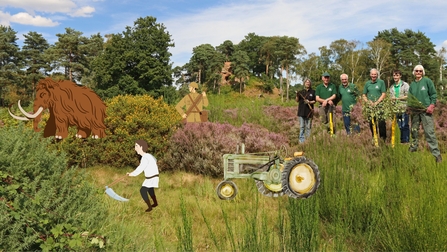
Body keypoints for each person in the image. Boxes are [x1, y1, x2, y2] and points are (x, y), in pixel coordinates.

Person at [408, 65, 442, 163]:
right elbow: (410, 98)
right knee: (414, 131)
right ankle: (413, 149)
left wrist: (432, 105)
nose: (418, 72)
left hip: (426, 111)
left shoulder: (427, 81)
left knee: (429, 133)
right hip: (415, 111)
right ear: (414, 72)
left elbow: (433, 94)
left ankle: (437, 155)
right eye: (416, 71)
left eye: (420, 71)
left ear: (423, 72)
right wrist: (408, 107)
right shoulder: (412, 85)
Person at [127, 139, 160, 212]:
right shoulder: (149, 155)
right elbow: (155, 160)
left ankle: (150, 207)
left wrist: (131, 174)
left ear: (141, 147)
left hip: (151, 177)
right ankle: (155, 203)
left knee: (143, 191)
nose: (135, 148)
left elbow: (140, 169)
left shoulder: (145, 157)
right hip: (152, 177)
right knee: (150, 189)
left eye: (136, 146)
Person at [362, 68, 387, 141]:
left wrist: (377, 102)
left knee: (381, 123)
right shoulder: (367, 83)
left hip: (380, 106)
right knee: (372, 123)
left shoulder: (381, 82)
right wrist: (368, 102)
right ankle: (374, 138)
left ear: (377, 75)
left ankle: (383, 139)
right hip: (370, 107)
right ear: (370, 75)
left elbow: (383, 94)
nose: (373, 76)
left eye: (375, 74)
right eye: (372, 74)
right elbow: (364, 95)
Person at [389, 70, 410, 143]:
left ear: (400, 76)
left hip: (404, 108)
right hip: (396, 109)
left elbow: (408, 96)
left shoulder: (405, 85)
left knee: (405, 125)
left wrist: (397, 98)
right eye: (394, 75)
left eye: (397, 75)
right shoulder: (392, 87)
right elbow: (391, 97)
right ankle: (401, 141)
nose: (395, 77)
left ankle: (406, 141)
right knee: (399, 126)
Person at [296, 79, 316, 143]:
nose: (307, 83)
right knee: (302, 127)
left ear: (310, 84)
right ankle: (301, 141)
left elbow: (315, 101)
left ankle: (308, 140)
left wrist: (309, 102)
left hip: (309, 112)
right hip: (301, 112)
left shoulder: (313, 92)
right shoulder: (301, 92)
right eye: (306, 82)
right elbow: (297, 100)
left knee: (308, 127)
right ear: (304, 83)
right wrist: (297, 95)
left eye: (309, 82)